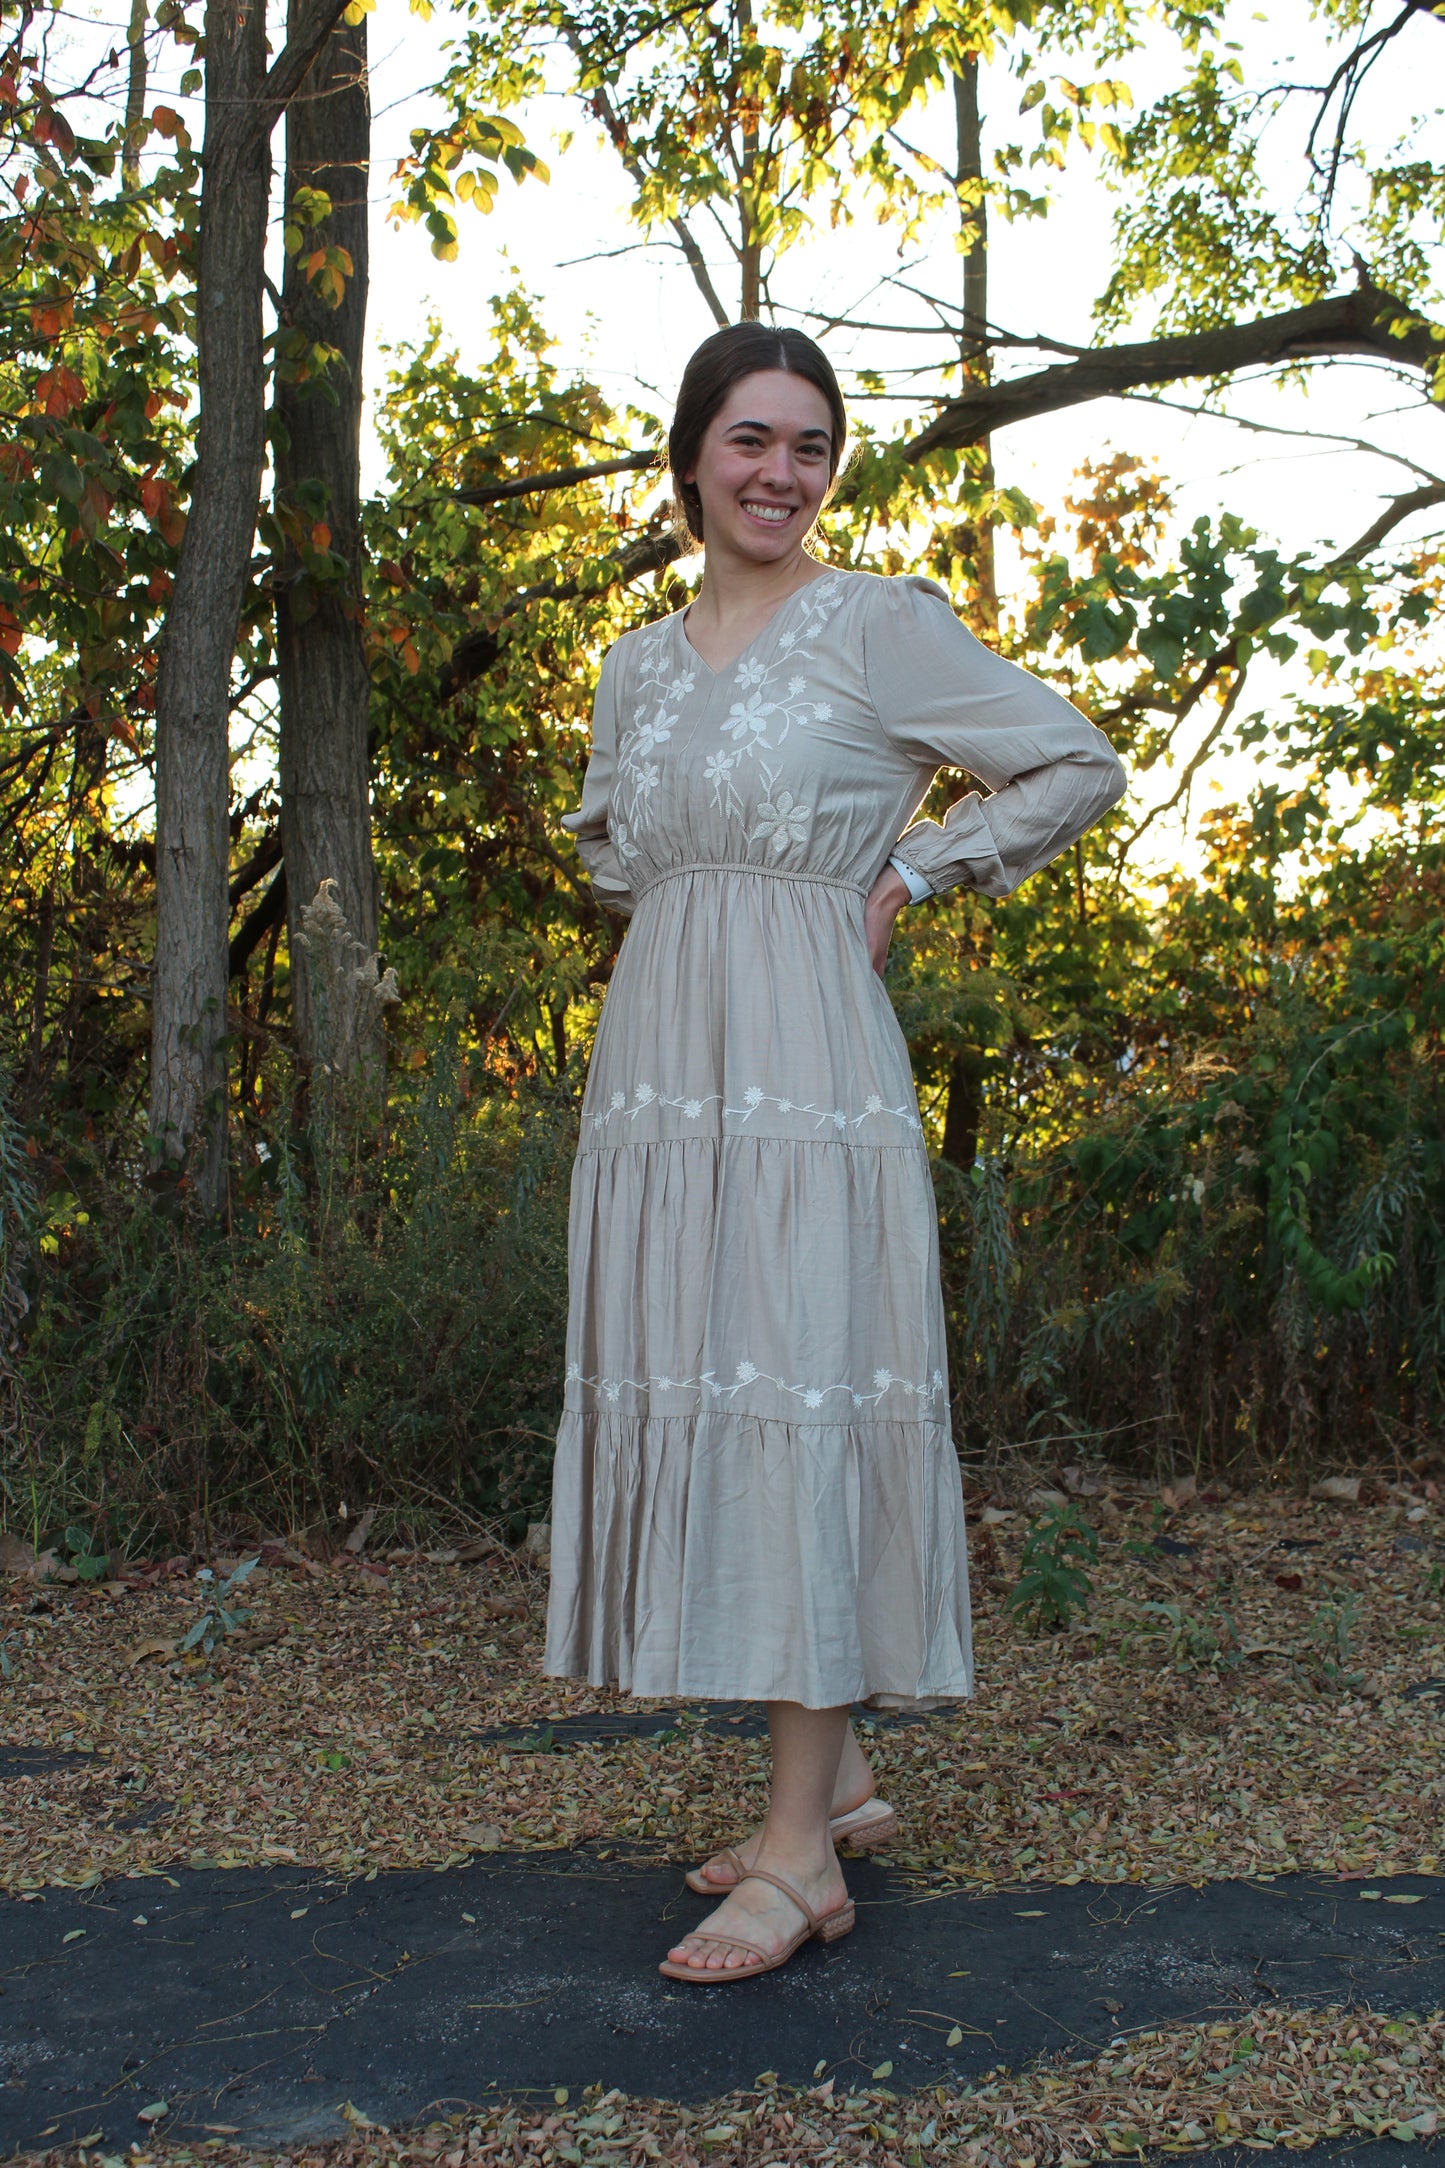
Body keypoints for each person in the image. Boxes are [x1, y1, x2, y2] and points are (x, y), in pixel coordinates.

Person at [543, 322, 1126, 1984]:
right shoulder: (637, 663)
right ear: (691, 454)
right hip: (666, 1072)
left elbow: (1071, 759)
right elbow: (609, 848)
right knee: (706, 1383)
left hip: (807, 1064)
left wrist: (911, 874)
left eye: (809, 445)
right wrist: (697, 909)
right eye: (749, 440)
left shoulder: (875, 626)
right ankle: (838, 1772)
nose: (779, 473)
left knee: (797, 1388)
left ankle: (800, 1857)